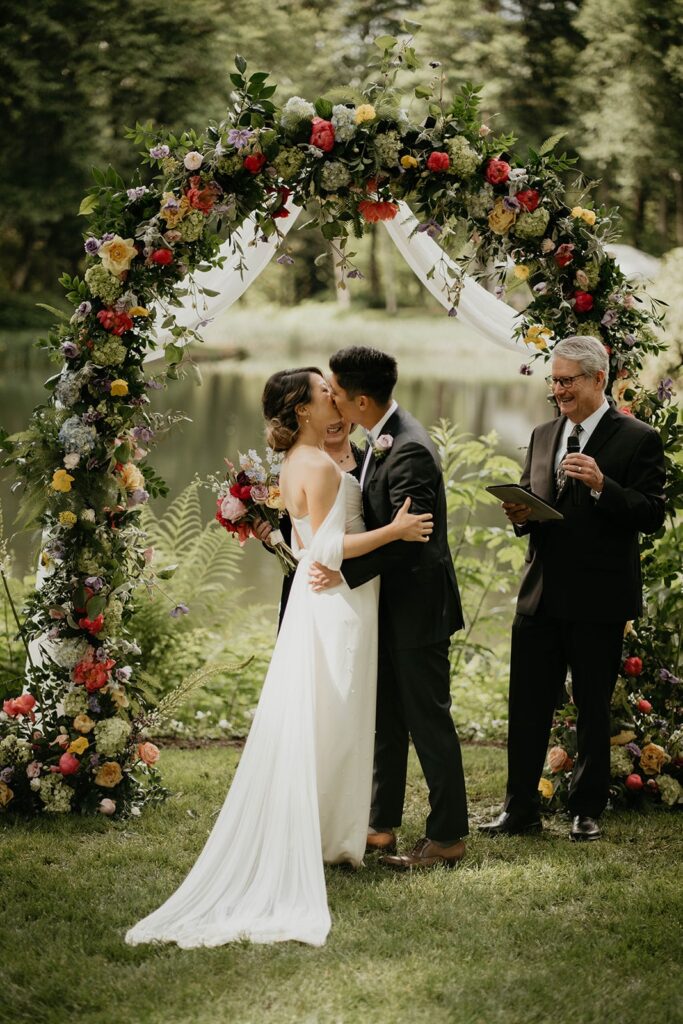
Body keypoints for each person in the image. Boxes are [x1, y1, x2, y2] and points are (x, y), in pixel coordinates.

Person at [125, 367, 432, 949]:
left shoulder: (303, 460)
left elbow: (299, 541)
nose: (334, 398)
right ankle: (329, 838)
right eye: (323, 393)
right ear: (300, 411)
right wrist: (395, 529)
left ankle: (327, 834)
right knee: (338, 718)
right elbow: (325, 548)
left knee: (332, 717)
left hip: (334, 600)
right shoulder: (315, 464)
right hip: (340, 602)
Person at [479, 335, 666, 842]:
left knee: (591, 707)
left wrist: (605, 486)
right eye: (554, 381)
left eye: (567, 381)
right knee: (527, 706)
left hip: (598, 599)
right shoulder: (543, 434)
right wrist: (520, 513)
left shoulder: (638, 438)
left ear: (598, 379)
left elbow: (652, 515)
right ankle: (519, 810)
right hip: (539, 594)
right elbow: (535, 503)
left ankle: (586, 811)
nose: (558, 390)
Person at [312, 346, 469, 870]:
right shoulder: (381, 438)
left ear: (358, 400)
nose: (329, 397)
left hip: (417, 611)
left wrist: (343, 571)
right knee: (388, 720)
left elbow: (412, 541)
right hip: (389, 607)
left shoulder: (409, 450)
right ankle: (380, 826)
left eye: (333, 390)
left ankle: (447, 837)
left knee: (428, 721)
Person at [253, 417, 363, 631]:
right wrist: (269, 536)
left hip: (358, 587)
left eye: (339, 411)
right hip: (309, 584)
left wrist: (345, 573)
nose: (334, 420)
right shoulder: (294, 467)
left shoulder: (369, 463)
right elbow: (290, 535)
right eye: (327, 412)